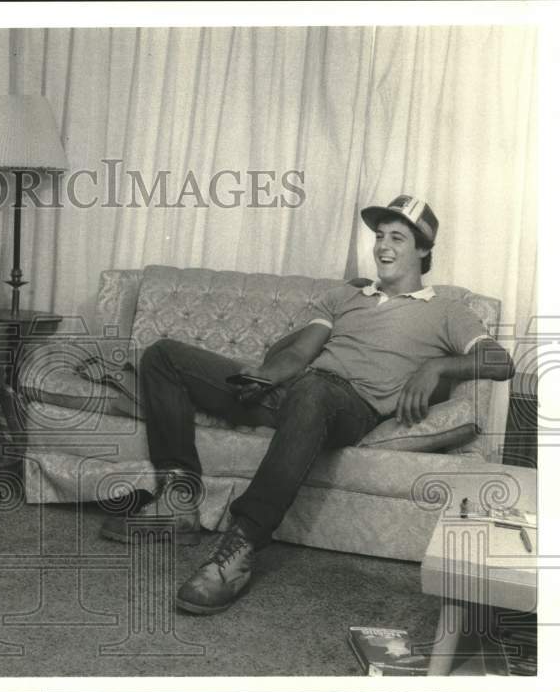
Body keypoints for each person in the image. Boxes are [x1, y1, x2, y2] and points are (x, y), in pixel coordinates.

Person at [99, 195, 515, 616]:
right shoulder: (346, 297)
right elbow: (300, 355)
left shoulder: (447, 311)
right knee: (164, 356)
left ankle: (242, 543)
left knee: (314, 388)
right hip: (298, 390)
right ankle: (178, 501)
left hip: (350, 406)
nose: (383, 247)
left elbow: (500, 362)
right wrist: (264, 378)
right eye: (379, 236)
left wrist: (437, 366)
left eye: (397, 238)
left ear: (424, 250)